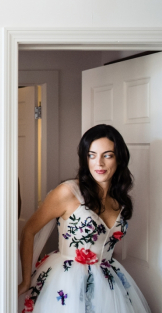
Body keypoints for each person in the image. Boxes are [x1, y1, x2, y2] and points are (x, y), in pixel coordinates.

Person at [18, 124, 150, 313]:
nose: (99, 163)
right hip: (65, 283)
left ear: (119, 158)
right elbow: (29, 230)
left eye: (107, 155)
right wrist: (25, 280)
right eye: (92, 155)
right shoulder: (68, 192)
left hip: (108, 285)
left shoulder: (120, 199)